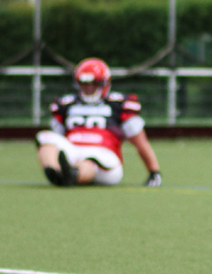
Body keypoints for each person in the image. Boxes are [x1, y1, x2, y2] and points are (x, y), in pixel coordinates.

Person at [35, 57, 163, 188]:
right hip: (73, 150)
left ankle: (72, 175)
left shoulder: (120, 104)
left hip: (104, 153)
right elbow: (57, 137)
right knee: (45, 137)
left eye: (94, 83)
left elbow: (140, 141)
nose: (89, 87)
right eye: (84, 83)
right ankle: (54, 171)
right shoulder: (66, 104)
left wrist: (154, 171)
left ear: (104, 83)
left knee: (91, 161)